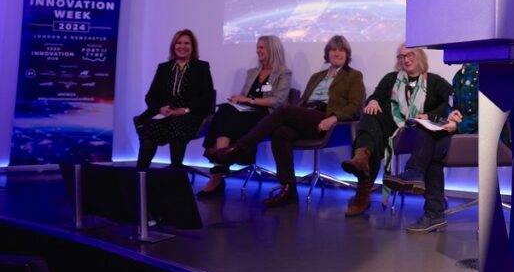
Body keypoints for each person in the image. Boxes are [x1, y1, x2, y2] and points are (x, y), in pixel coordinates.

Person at [207, 35, 365, 207]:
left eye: (341, 50)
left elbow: (355, 106)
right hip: (308, 115)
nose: (337, 53)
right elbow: (304, 102)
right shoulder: (317, 76)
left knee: (284, 109)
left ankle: (237, 148)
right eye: (333, 49)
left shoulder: (354, 76)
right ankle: (288, 188)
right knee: (280, 133)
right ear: (327, 53)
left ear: (347, 54)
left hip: (328, 119)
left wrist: (333, 118)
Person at [341, 44, 452, 217]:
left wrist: (430, 115)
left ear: (420, 56)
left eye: (410, 55)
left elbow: (451, 100)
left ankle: (363, 191)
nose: (405, 60)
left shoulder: (434, 81)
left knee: (373, 132)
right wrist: (372, 101)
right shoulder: (391, 78)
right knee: (371, 116)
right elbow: (375, 96)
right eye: (401, 57)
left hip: (417, 132)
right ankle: (362, 157)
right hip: (388, 128)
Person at [384, 62, 480, 233]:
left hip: (485, 134)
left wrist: (459, 126)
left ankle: (433, 212)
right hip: (463, 130)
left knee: (433, 153)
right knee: (424, 128)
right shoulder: (459, 75)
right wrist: (452, 114)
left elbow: (492, 110)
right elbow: (453, 105)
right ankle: (415, 174)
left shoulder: (486, 72)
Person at [196, 35, 292, 198]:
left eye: (262, 47)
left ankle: (217, 172)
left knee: (226, 114)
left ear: (272, 50)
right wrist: (239, 100)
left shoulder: (283, 73)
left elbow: (278, 101)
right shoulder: (253, 72)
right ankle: (221, 162)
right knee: (225, 110)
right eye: (257, 47)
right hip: (245, 112)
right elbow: (244, 95)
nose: (258, 50)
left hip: (265, 116)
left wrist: (249, 100)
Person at [134, 29, 214, 171]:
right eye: (179, 43)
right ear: (173, 46)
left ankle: (175, 175)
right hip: (165, 114)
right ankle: (140, 175)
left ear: (193, 47)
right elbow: (150, 96)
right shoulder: (164, 68)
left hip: (190, 114)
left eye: (187, 43)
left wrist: (185, 110)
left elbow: (207, 98)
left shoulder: (201, 67)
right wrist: (160, 108)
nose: (182, 46)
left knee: (177, 128)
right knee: (150, 130)